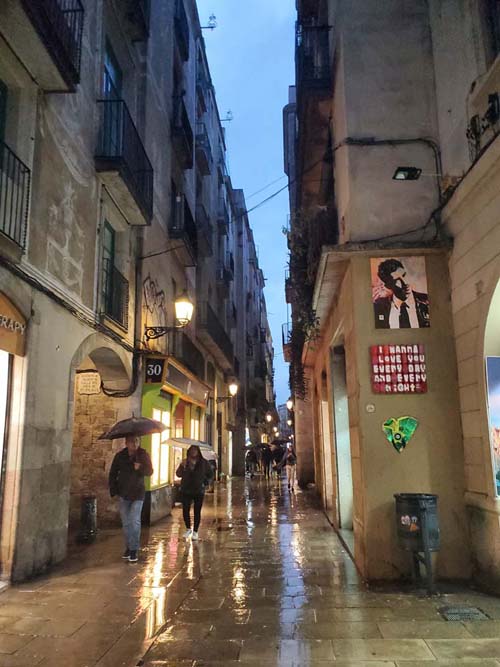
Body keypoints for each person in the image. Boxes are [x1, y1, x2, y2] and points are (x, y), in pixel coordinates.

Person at [108, 435, 153, 563]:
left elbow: (150, 471)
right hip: (124, 493)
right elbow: (113, 473)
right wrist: (114, 490)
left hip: (138, 493)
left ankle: (134, 549)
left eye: (137, 441)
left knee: (134, 520)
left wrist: (140, 468)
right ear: (126, 443)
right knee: (126, 522)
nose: (134, 444)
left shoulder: (143, 455)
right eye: (132, 441)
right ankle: (128, 547)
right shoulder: (120, 456)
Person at [373, 258, 429, 329]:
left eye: (404, 275)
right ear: (388, 285)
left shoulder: (427, 302)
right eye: (397, 280)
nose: (405, 282)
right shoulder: (378, 308)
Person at [176, 445, 213, 541]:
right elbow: (178, 474)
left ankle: (195, 531)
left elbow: (210, 474)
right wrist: (181, 466)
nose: (193, 452)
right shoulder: (185, 462)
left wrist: (205, 483)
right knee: (185, 510)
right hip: (186, 489)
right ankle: (188, 528)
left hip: (198, 490)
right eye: (192, 450)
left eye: (195, 450)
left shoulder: (203, 462)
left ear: (198, 451)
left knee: (197, 511)